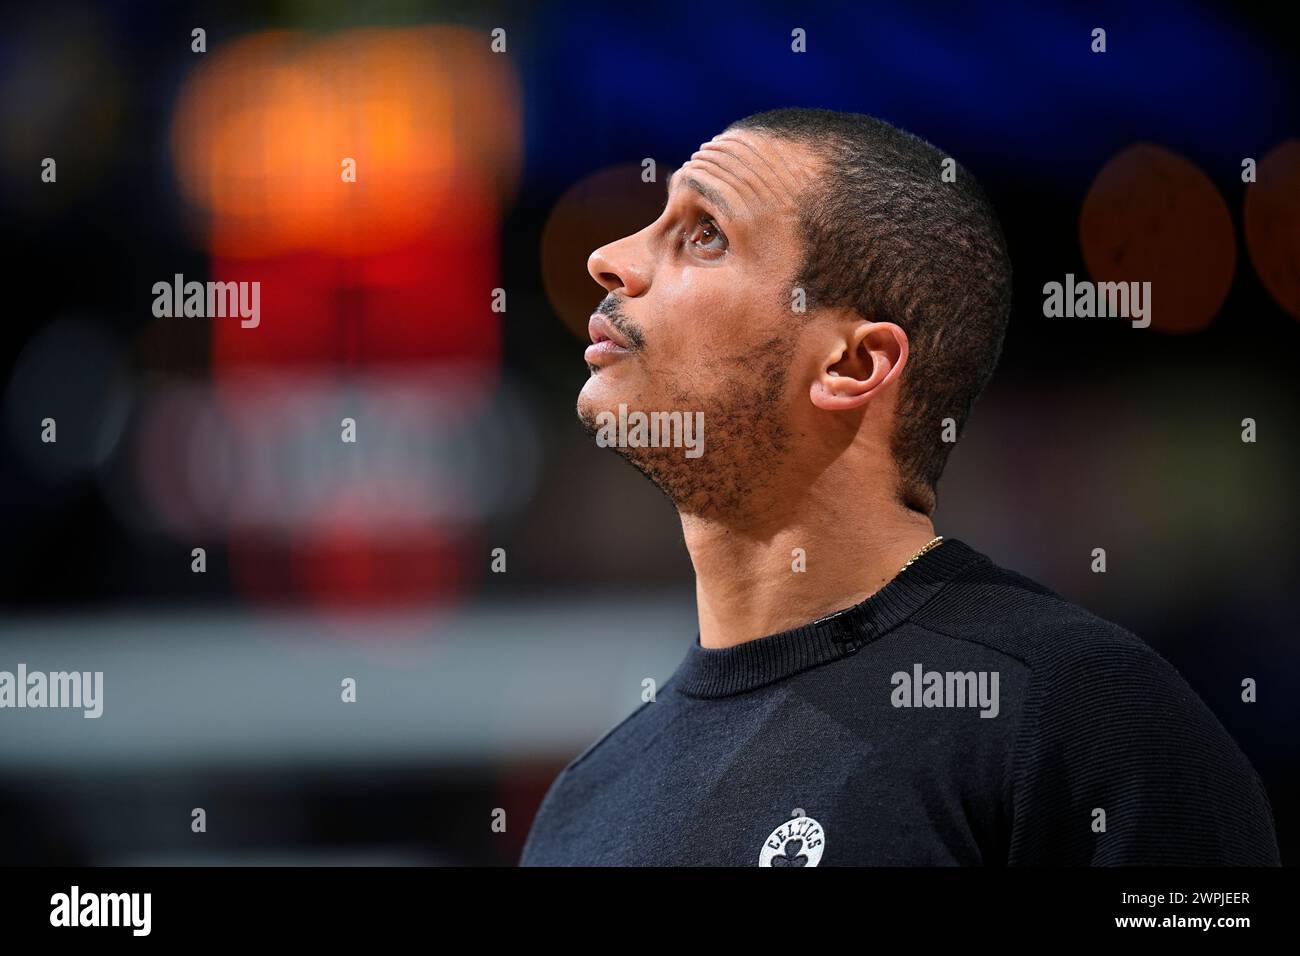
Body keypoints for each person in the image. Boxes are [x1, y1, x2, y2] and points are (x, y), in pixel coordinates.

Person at [520, 108, 1281, 866]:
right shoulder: (581, 812)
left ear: (852, 366)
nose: (609, 259)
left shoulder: (1081, 714)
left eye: (704, 233)